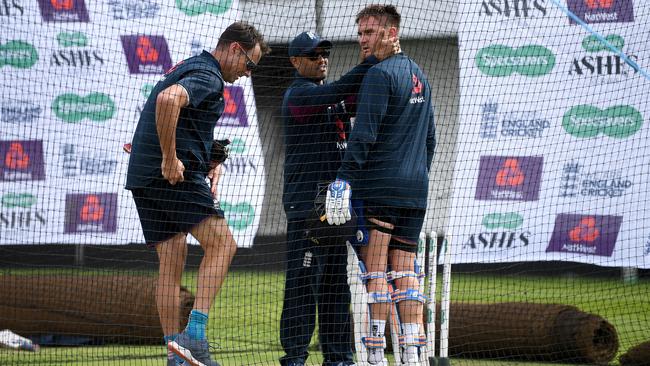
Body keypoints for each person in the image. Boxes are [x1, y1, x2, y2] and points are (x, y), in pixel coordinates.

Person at [125, 22, 269, 366]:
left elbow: (170, 111)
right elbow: (168, 99)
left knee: (171, 265)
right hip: (170, 177)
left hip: (143, 178)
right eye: (250, 64)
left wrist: (205, 157)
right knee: (223, 245)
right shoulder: (209, 75)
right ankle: (196, 339)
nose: (247, 74)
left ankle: (176, 355)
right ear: (235, 49)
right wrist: (170, 157)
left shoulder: (189, 65)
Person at [325, 4, 436, 365]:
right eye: (360, 33)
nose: (362, 40)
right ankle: (414, 356)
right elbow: (431, 140)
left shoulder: (378, 74)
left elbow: (363, 137)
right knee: (406, 274)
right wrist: (415, 173)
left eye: (369, 33)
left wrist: (343, 179)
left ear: (391, 33)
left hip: (381, 189)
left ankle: (375, 357)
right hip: (415, 192)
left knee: (375, 272)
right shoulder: (419, 73)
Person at [280, 30, 398, 366]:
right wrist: (373, 57)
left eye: (324, 54)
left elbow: (355, 96)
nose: (322, 60)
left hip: (334, 204)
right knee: (302, 282)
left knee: (334, 285)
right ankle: (295, 358)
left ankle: (339, 358)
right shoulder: (298, 96)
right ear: (295, 61)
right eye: (314, 55)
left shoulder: (324, 95)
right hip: (306, 205)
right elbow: (341, 90)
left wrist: (378, 67)